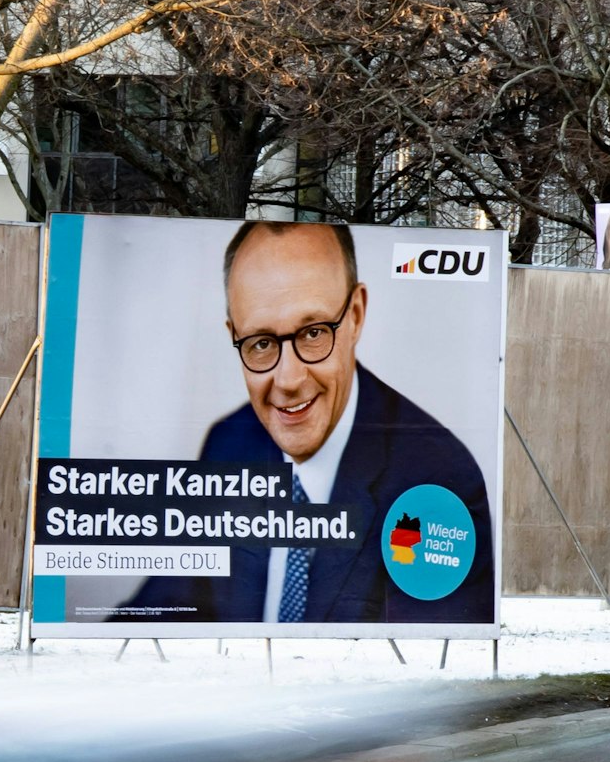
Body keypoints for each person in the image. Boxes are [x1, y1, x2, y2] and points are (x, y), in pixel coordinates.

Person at [121, 222, 495, 624]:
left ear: (355, 316)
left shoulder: (438, 478)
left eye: (314, 333)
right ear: (234, 336)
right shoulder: (229, 443)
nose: (289, 380)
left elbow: (429, 663)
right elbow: (164, 605)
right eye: (261, 343)